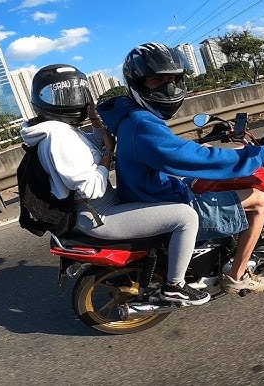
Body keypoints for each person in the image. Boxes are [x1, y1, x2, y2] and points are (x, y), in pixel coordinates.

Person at [97, 43, 264, 294]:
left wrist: (199, 148)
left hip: (147, 189)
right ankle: (238, 274)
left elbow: (168, 149)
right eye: (157, 80)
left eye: (174, 80)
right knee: (259, 199)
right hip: (160, 199)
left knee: (201, 181)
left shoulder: (127, 116)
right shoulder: (141, 123)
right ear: (138, 83)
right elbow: (196, 158)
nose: (168, 88)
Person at [19, 64, 210, 305]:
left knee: (166, 194)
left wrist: (95, 119)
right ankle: (174, 285)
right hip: (100, 214)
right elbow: (92, 187)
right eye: (63, 95)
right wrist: (108, 157)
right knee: (186, 217)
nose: (73, 101)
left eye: (77, 93)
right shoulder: (58, 137)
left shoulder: (63, 131)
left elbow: (96, 142)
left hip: (102, 206)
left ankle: (165, 262)